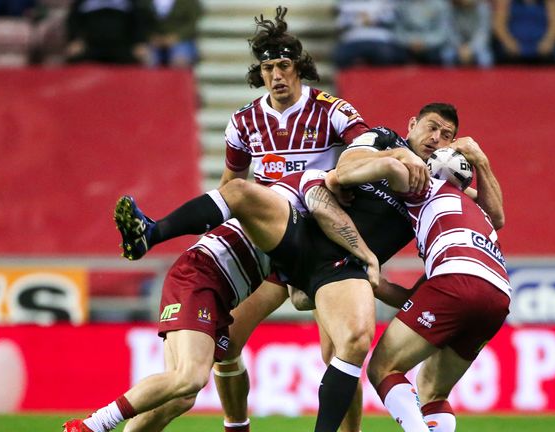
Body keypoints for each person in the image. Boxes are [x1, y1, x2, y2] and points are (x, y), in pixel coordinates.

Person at [103, 103, 503, 431]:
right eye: (432, 128)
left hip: (344, 268)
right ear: (412, 124)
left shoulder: (435, 182)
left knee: (349, 347)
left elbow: (493, 216)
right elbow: (345, 170)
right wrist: (394, 157)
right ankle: (152, 234)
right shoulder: (384, 138)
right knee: (214, 357)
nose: (437, 140)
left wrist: (481, 163)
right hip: (313, 232)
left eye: (447, 136)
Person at [127, 6, 372, 432]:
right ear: (259, 73)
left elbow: (363, 148)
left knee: (338, 354)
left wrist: (346, 177)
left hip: (319, 246)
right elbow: (231, 186)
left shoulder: (331, 110)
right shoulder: (244, 121)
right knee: (226, 345)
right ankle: (236, 424)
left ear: (299, 68)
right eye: (268, 67)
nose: (276, 75)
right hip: (273, 243)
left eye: (283, 65)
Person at [62, 170, 379, 432]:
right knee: (190, 377)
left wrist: (332, 283)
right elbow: (248, 192)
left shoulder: (301, 245)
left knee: (181, 396)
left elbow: (297, 298)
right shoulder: (300, 193)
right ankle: (92, 426)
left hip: (216, 293)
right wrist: (363, 256)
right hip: (200, 276)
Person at [331, 126, 508, 431]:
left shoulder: (426, 187)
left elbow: (390, 169)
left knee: (383, 368)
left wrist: (336, 178)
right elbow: (420, 298)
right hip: (497, 295)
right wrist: (376, 283)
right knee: (433, 392)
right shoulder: (476, 214)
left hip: (455, 281)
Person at [65, 0, 152, 65]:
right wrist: (74, 40)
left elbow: (138, 22)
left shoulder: (130, 3)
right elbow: (73, 21)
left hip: (121, 48)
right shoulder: (82, 2)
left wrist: (139, 42)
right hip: (91, 47)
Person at [333, 0, 407, 69]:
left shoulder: (388, 2)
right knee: (341, 56)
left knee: (389, 56)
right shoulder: (346, 2)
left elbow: (392, 19)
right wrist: (359, 20)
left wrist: (373, 19)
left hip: (381, 39)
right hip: (353, 39)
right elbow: (341, 24)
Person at [492, 0, 555, 65]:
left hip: (542, 47)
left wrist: (548, 41)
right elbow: (499, 25)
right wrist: (508, 42)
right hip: (513, 47)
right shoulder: (506, 2)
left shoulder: (549, 3)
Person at [393, 0, 455, 66]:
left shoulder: (441, 4)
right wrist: (411, 41)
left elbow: (443, 32)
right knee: (392, 55)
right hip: (407, 46)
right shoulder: (402, 5)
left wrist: (424, 42)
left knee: (440, 56)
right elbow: (398, 31)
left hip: (433, 47)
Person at [148, 0, 201, 68]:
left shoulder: (189, 2)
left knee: (180, 59)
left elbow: (194, 22)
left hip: (182, 39)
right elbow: (142, 21)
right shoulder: (146, 2)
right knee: (148, 57)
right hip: (155, 40)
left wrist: (177, 36)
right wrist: (151, 36)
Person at [449, 0, 494, 68]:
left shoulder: (483, 8)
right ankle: (451, 78)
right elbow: (451, 32)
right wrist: (460, 47)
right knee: (447, 55)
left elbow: (483, 33)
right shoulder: (452, 8)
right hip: (458, 46)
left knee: (485, 58)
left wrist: (470, 48)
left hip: (477, 45)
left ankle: (484, 78)